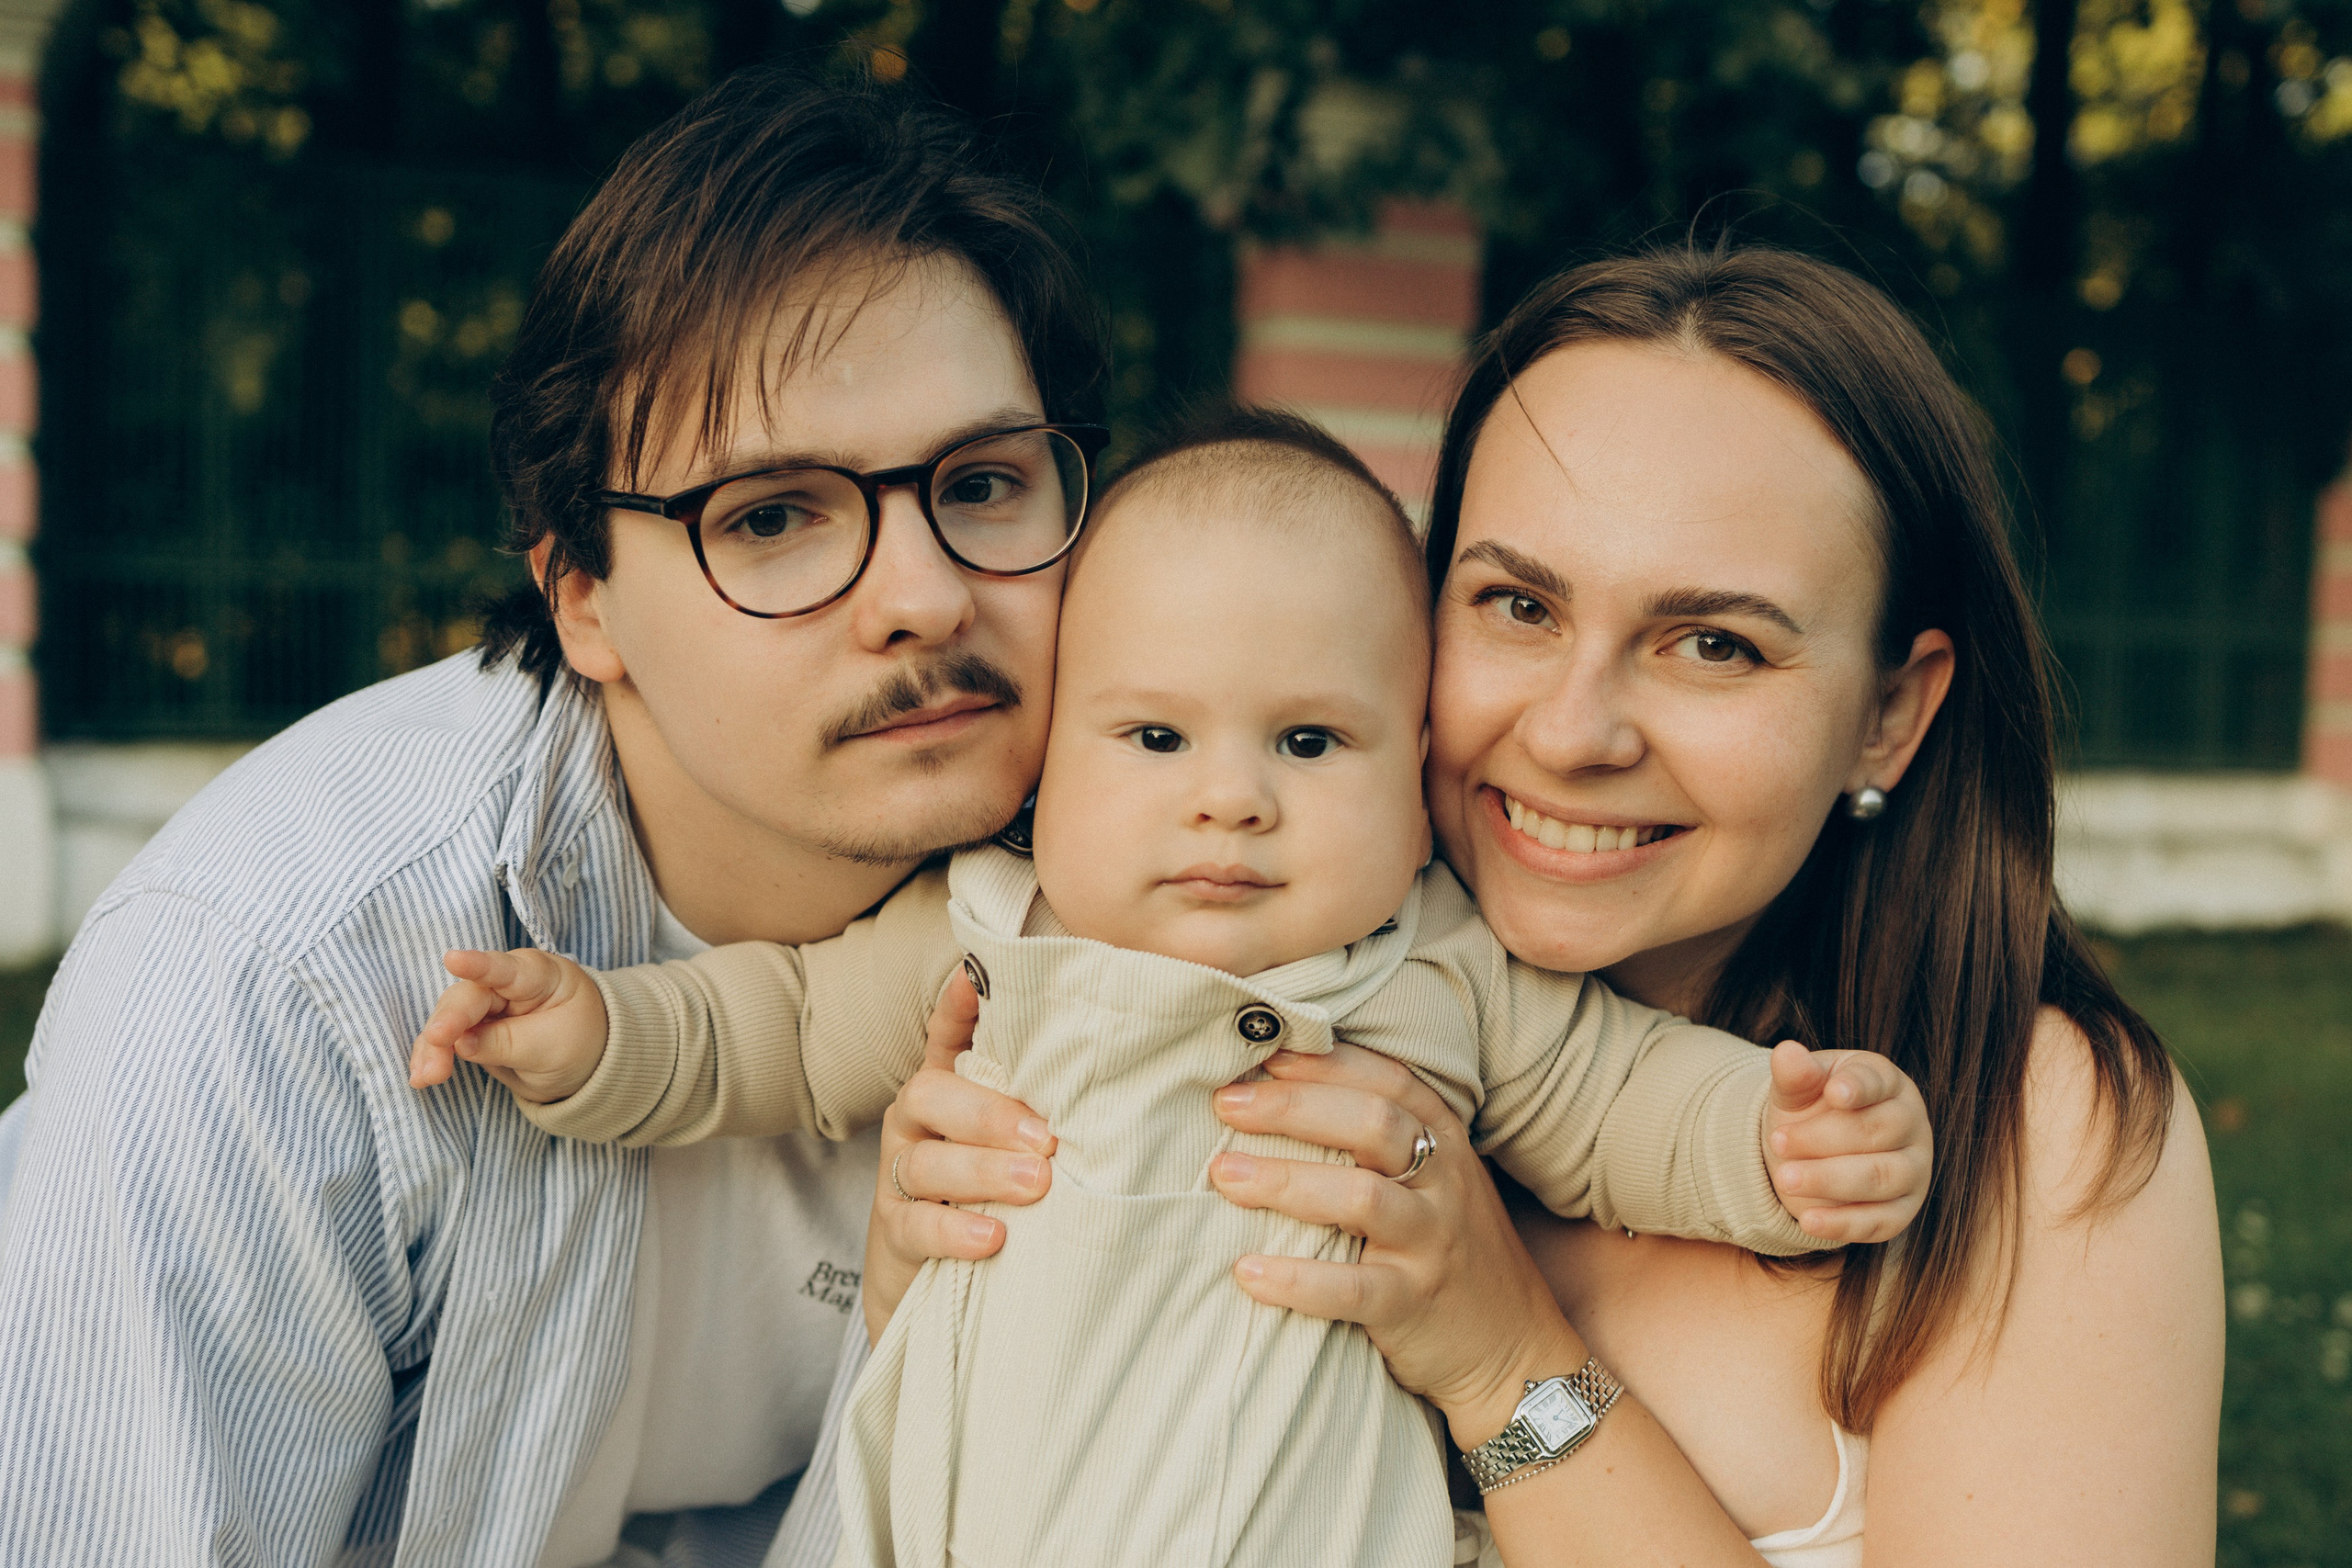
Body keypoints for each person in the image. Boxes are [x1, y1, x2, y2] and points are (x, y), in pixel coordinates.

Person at [405, 410, 1936, 1567]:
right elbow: (780, 1030)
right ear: (1051, 754)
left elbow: (1625, 1100)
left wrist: (1780, 1139)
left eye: (1308, 743)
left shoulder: (1439, 965)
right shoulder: (993, 928)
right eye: (1154, 741)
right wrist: (599, 1033)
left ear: (1412, 764)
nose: (1231, 802)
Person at [884, 244, 2225, 1564]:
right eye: (1518, 604)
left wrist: (1511, 1369)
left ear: (1889, 714)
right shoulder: (1223, 967)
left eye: (1715, 644)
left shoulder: (2034, 1125)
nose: (1575, 733)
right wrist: (926, 1266)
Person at [0, 68, 1101, 1568]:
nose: (925, 595)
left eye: (983, 481)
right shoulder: (278, 980)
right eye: (772, 515)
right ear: (583, 598)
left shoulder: (1170, 885)